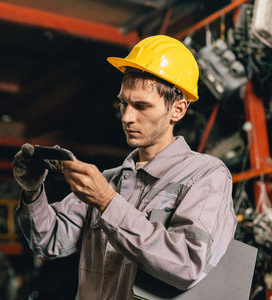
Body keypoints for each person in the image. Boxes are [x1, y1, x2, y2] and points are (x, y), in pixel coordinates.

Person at [13, 35, 237, 300]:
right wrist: (33, 192)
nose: (127, 117)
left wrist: (108, 204)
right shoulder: (108, 181)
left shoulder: (206, 175)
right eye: (124, 103)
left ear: (177, 110)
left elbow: (188, 264)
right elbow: (48, 242)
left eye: (141, 106)